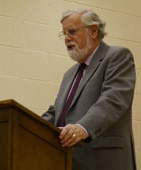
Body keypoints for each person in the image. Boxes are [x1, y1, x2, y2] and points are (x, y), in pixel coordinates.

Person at [42, 8, 136, 170]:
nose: (67, 39)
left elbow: (113, 100)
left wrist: (83, 128)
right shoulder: (70, 74)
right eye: (64, 34)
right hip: (68, 161)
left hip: (104, 161)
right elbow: (56, 112)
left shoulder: (117, 56)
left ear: (93, 31)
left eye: (72, 31)